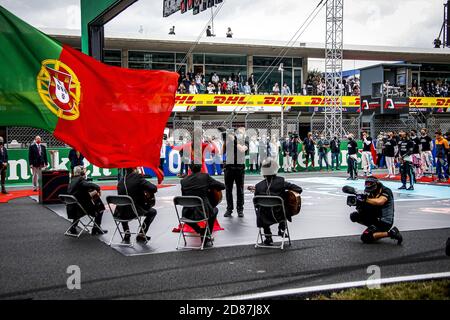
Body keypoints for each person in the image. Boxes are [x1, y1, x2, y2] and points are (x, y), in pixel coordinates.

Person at [254, 158, 303, 245]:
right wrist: (286, 194)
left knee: (262, 209)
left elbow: (256, 204)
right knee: (283, 204)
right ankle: (282, 228)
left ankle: (268, 236)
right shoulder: (281, 181)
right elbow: (299, 189)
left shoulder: (258, 186)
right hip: (279, 215)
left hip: (263, 217)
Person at [180, 163, 225, 246]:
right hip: (202, 212)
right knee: (214, 210)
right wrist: (209, 188)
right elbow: (222, 186)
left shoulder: (183, 181)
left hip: (187, 213)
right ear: (201, 167)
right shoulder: (205, 177)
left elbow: (184, 196)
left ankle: (200, 231)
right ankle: (206, 234)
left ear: (189, 168)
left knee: (207, 212)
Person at [349, 177, 403, 245]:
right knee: (354, 216)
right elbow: (369, 206)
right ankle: (373, 229)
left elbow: (380, 202)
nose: (370, 191)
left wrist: (365, 199)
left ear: (377, 184)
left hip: (385, 222)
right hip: (376, 218)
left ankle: (392, 233)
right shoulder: (371, 192)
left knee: (365, 238)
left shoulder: (386, 191)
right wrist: (359, 204)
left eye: (371, 189)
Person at [117, 167, 158, 243]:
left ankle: (127, 233)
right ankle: (141, 234)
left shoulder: (120, 182)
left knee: (124, 206)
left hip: (120, 213)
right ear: (134, 169)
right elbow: (153, 188)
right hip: (134, 211)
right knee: (152, 212)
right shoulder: (137, 177)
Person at [67, 166, 107, 236]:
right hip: (80, 208)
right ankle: (96, 228)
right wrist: (98, 189)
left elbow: (80, 193)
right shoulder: (81, 180)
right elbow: (90, 185)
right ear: (81, 172)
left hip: (72, 208)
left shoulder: (72, 181)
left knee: (82, 203)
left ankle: (73, 227)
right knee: (100, 207)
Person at [223, 128, 248, 217]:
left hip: (240, 168)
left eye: (241, 133)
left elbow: (242, 149)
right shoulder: (228, 142)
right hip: (229, 168)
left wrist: (235, 140)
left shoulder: (245, 142)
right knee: (228, 190)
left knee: (240, 190)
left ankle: (240, 209)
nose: (239, 134)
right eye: (238, 132)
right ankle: (229, 209)